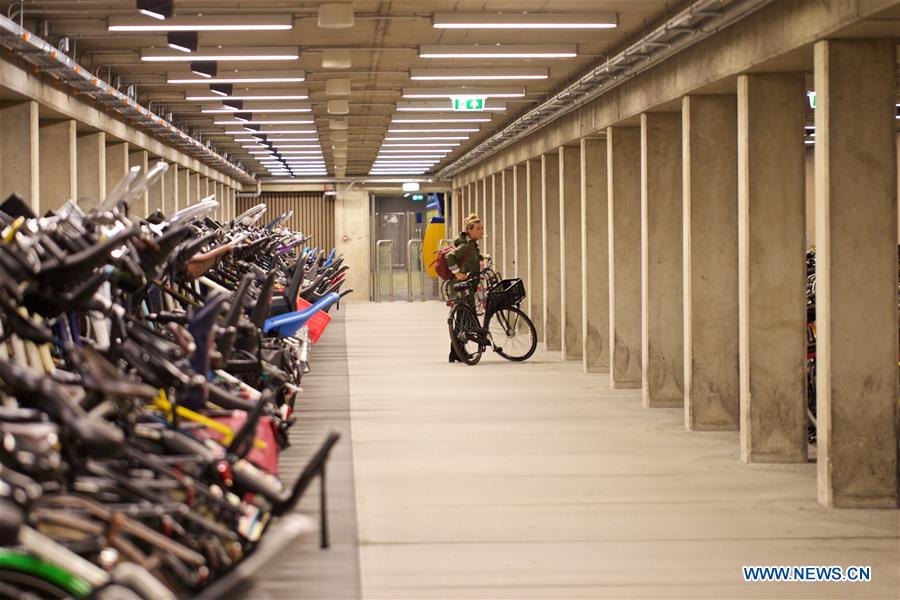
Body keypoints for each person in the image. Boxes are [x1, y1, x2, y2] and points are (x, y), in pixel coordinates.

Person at [446, 214, 484, 363]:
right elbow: (450, 257)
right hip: (461, 287)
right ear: (470, 230)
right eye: (478, 228)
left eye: (482, 228)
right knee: (463, 319)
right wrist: (457, 273)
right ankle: (457, 352)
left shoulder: (472, 244)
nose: (481, 231)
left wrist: (482, 258)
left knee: (463, 320)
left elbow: (471, 258)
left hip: (468, 286)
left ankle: (456, 352)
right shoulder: (467, 245)